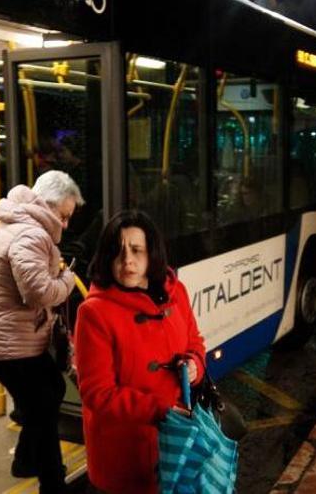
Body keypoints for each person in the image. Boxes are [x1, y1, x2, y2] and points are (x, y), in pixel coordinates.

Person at [74, 210, 206, 494]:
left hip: (176, 447)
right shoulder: (93, 313)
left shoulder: (176, 291)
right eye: (117, 251)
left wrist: (195, 365)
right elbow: (98, 393)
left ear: (153, 254)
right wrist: (159, 410)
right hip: (123, 456)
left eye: (137, 250)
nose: (127, 261)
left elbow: (195, 342)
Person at [0, 171, 83, 490]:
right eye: (64, 216)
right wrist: (67, 281)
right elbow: (38, 293)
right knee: (44, 407)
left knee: (49, 393)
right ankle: (52, 482)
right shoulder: (31, 235)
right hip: (6, 342)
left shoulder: (17, 223)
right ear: (48, 205)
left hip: (6, 337)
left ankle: (25, 460)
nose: (66, 224)